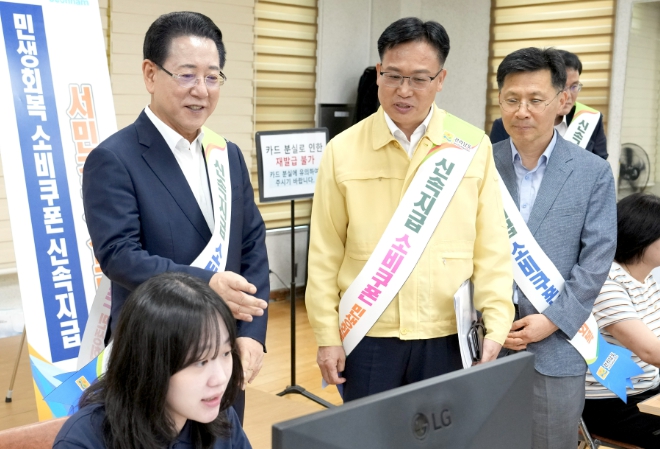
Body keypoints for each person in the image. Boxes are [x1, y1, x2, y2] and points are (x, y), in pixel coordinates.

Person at [305, 17, 514, 402]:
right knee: (369, 430)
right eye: (393, 76)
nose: (404, 90)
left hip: (447, 334)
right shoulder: (342, 150)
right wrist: (326, 335)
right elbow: (324, 253)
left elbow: (492, 246)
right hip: (368, 330)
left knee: (445, 431)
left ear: (440, 79)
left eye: (419, 78)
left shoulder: (471, 146)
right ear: (378, 72)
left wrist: (498, 323)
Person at [82, 12, 268, 419]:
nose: (201, 90)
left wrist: (253, 333)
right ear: (150, 74)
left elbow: (252, 243)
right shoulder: (114, 158)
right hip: (157, 355)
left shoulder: (227, 155)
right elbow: (120, 256)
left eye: (212, 77)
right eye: (186, 75)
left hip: (223, 356)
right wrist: (208, 284)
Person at [492, 47, 616, 449]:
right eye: (512, 99)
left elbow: (597, 259)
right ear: (499, 100)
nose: (522, 111)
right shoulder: (478, 165)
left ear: (562, 101)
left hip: (557, 344)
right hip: (486, 342)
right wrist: (488, 317)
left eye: (535, 99)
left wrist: (552, 319)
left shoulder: (592, 172)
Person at [52, 272, 251, 449]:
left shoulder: (220, 417)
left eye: (226, 353)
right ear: (150, 365)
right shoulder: (84, 441)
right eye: (201, 362)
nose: (220, 379)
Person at [582, 193, 660, 448]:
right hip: (613, 403)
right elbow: (650, 351)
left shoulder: (646, 279)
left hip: (647, 391)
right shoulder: (607, 282)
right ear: (641, 236)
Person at [490, 49, 608, 160]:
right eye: (563, 87)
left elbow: (599, 163)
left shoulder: (590, 120)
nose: (568, 95)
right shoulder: (507, 124)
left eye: (574, 86)